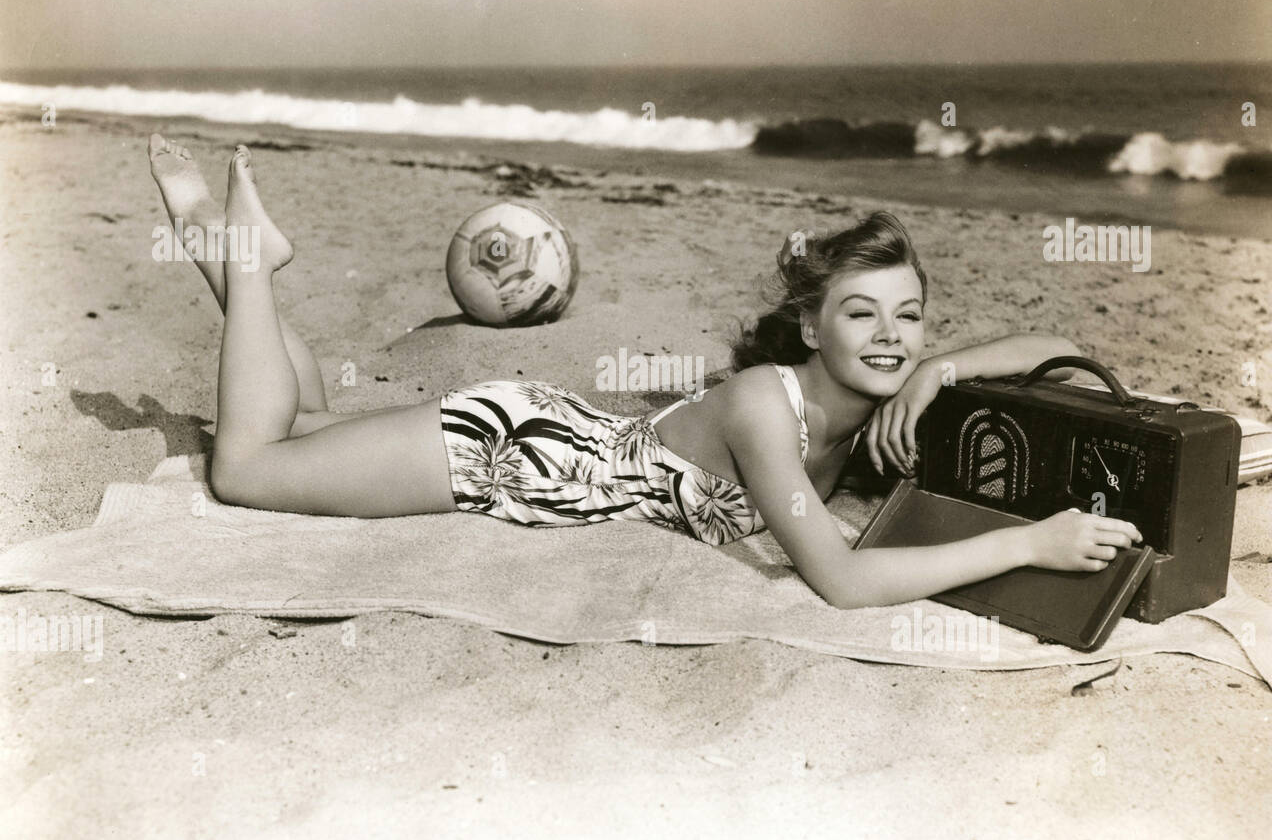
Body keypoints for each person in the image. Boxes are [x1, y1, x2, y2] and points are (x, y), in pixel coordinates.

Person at [148, 135, 1142, 609]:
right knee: (248, 469)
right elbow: (837, 581)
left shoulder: (875, 401)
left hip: (553, 443)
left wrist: (942, 371)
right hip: (513, 454)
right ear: (810, 324)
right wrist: (1032, 547)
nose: (888, 337)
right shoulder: (766, 406)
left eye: (909, 318)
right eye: (860, 313)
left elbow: (1068, 356)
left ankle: (239, 260)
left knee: (311, 420)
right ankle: (242, 260)